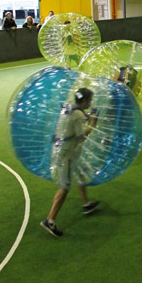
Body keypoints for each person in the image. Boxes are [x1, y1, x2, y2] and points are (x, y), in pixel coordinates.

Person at [40, 88, 101, 237]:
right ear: (84, 101)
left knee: (80, 172)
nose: (91, 103)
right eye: (89, 100)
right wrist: (93, 123)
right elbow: (81, 137)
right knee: (64, 186)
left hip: (67, 150)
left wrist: (88, 117)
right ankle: (50, 220)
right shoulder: (77, 115)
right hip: (66, 154)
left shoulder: (70, 108)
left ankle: (86, 203)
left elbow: (76, 120)